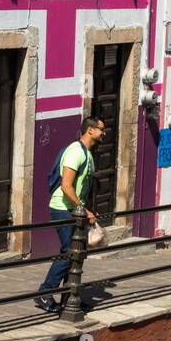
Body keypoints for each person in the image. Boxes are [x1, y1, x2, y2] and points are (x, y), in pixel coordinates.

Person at [34, 116, 105, 313]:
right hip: (62, 208)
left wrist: (87, 208)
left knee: (78, 253)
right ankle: (44, 293)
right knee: (69, 252)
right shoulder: (75, 152)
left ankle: (69, 298)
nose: (103, 134)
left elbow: (80, 186)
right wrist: (84, 208)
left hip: (74, 209)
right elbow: (66, 186)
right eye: (101, 129)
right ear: (90, 130)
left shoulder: (87, 154)